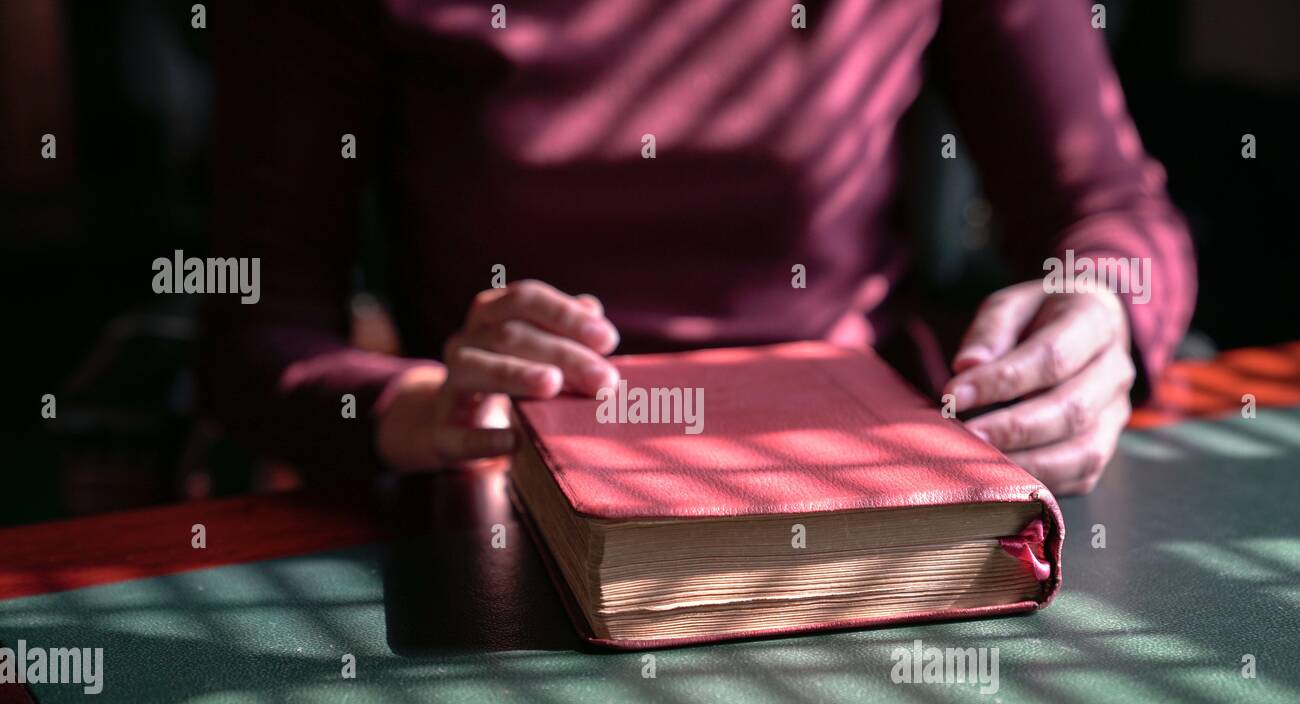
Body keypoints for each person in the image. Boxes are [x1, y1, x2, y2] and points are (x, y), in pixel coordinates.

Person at [202, 0, 1195, 496]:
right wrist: (418, 406)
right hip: (517, 512)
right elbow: (254, 325)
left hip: (874, 494)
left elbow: (1108, 203)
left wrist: (1101, 304)